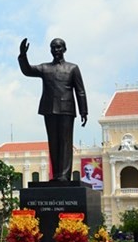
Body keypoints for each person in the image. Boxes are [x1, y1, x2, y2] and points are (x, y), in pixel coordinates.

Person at [18, 37, 88, 181]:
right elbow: (28, 70)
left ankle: (64, 175)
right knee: (53, 142)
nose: (56, 50)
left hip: (67, 109)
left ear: (64, 49)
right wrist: (23, 55)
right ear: (50, 50)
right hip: (49, 109)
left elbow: (80, 91)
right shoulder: (45, 68)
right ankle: (56, 175)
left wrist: (83, 110)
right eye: (53, 48)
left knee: (65, 142)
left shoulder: (72, 68)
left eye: (59, 47)